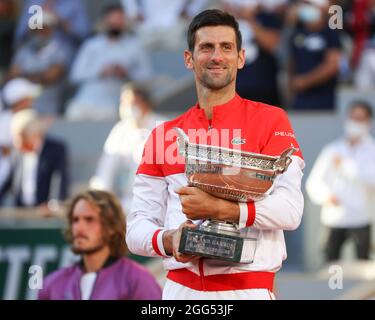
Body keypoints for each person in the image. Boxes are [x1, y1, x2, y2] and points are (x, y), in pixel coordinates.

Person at [126, 9, 305, 300]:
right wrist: (170, 240)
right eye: (206, 47)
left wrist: (224, 211)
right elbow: (136, 225)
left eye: (226, 47)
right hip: (180, 290)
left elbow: (290, 210)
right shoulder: (163, 135)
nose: (217, 56)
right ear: (189, 59)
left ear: (241, 57)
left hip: (248, 289)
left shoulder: (271, 120)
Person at [38, 190, 162, 300]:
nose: (79, 228)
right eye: (75, 220)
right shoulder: (52, 285)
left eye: (89, 219)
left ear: (112, 227)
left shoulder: (138, 280)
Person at [306, 101, 375, 262]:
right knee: (332, 266)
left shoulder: (372, 151)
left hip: (362, 218)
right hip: (334, 218)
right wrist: (326, 196)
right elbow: (313, 182)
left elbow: (371, 180)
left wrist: (346, 166)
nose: (355, 123)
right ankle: (333, 288)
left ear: (368, 122)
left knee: (363, 265)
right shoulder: (332, 150)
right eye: (353, 117)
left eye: (360, 119)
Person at [66, 4, 152, 121]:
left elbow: (147, 77)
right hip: (84, 102)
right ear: (105, 22)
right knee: (72, 114)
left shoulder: (135, 46)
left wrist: (126, 74)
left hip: (113, 104)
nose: (115, 25)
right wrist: (101, 71)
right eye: (112, 21)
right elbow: (75, 75)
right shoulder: (91, 45)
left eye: (119, 21)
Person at [89, 84, 166, 212]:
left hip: (157, 203)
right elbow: (106, 170)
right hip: (125, 202)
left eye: (132, 103)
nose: (127, 108)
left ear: (146, 104)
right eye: (123, 103)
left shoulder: (163, 128)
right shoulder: (120, 130)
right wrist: (100, 201)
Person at [8, 10, 74, 115]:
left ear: (52, 29)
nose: (39, 32)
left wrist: (24, 75)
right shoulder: (24, 49)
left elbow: (51, 76)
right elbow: (12, 74)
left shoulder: (62, 48)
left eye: (43, 28)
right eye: (36, 29)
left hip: (49, 104)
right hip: (22, 105)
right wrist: (38, 76)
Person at [0, 109, 69, 208]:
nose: (18, 145)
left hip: (44, 213)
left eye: (21, 138)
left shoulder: (56, 149)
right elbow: (8, 181)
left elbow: (59, 180)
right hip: (21, 211)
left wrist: (54, 205)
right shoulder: (17, 153)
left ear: (34, 135)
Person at [287, 0, 342, 111]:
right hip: (300, 98)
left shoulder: (330, 32)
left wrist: (305, 81)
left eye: (309, 5)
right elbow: (291, 62)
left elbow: (333, 65)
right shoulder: (297, 32)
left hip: (324, 97)